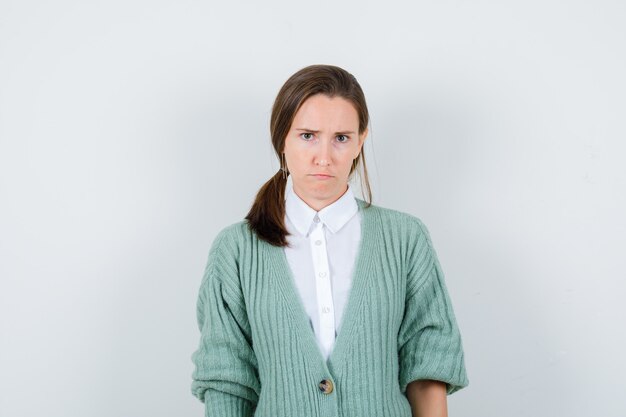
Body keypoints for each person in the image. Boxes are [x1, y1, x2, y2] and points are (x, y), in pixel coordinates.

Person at [191, 64, 469, 417]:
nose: (324, 157)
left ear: (360, 141)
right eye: (308, 135)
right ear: (282, 139)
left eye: (341, 138)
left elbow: (427, 367)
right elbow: (227, 383)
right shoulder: (235, 251)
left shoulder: (405, 239)